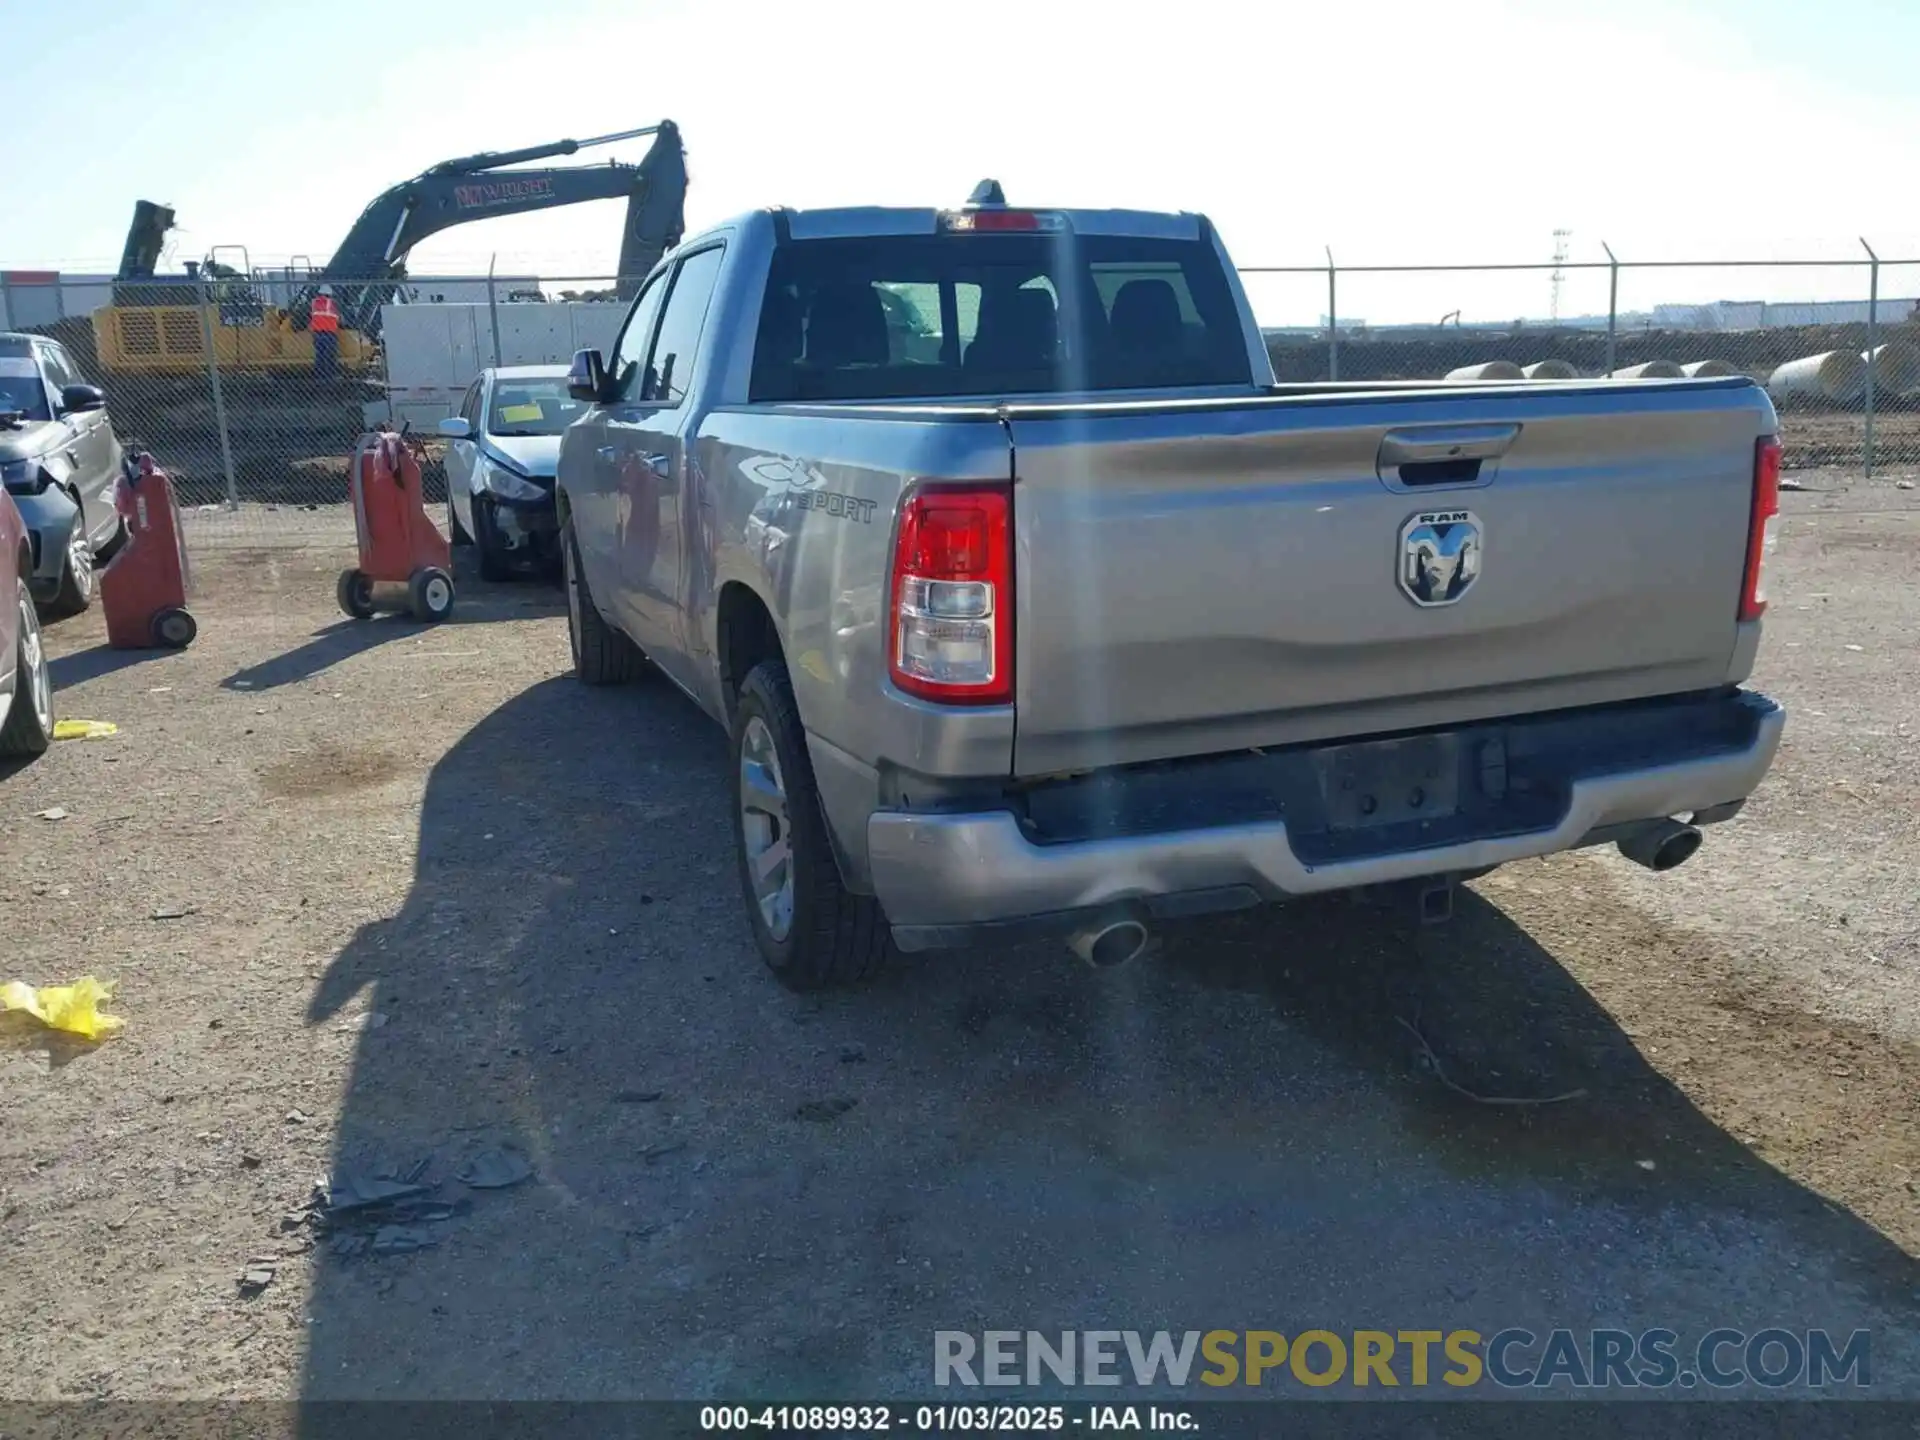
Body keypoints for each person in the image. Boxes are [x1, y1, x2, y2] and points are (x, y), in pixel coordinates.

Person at [311, 286, 340, 380]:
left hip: (317, 332)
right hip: (329, 332)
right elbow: (338, 317)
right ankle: (330, 376)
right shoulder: (332, 303)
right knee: (330, 355)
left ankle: (319, 376)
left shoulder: (314, 302)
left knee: (319, 355)